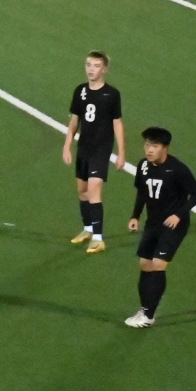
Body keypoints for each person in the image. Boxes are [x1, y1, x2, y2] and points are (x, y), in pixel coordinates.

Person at [124, 127, 196, 328]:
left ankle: (149, 315)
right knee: (144, 265)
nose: (149, 150)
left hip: (174, 225)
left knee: (158, 264)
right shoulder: (143, 166)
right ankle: (144, 309)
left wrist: (178, 214)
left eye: (154, 146)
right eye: (147, 145)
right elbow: (142, 192)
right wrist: (135, 216)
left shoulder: (177, 169)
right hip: (153, 223)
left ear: (165, 148)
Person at [62, 51, 127, 255]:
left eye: (96, 65)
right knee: (82, 191)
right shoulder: (80, 91)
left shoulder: (111, 94)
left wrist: (122, 152)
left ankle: (99, 238)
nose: (91, 69)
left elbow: (117, 123)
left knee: (93, 189)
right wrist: (67, 145)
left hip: (101, 149)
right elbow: (75, 120)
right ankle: (88, 229)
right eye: (89, 64)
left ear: (104, 69)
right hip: (84, 148)